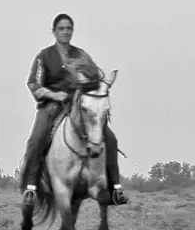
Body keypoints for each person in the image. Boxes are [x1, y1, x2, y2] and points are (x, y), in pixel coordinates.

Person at [19, 13, 127, 206]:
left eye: (68, 28)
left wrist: (95, 89)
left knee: (110, 138)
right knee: (37, 139)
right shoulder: (44, 56)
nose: (65, 32)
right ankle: (31, 187)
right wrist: (54, 95)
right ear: (54, 31)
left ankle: (115, 188)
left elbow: (94, 79)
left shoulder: (82, 55)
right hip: (51, 105)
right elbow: (33, 84)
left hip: (79, 105)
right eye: (61, 28)